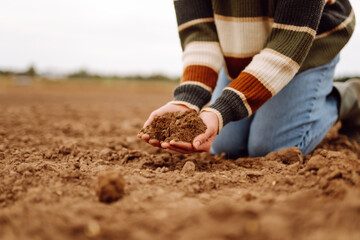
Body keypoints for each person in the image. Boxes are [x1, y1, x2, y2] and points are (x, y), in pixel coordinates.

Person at [138, 0, 358, 158]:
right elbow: (200, 36)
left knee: (272, 147)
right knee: (225, 146)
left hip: (306, 43)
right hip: (242, 49)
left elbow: (288, 45)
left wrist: (220, 110)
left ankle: (348, 98)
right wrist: (186, 100)